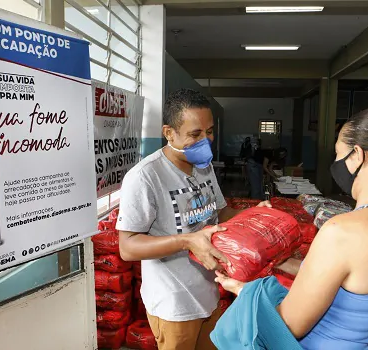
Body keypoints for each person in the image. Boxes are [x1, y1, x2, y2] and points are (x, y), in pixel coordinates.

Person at [215, 107, 368, 349]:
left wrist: (246, 292)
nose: (336, 164)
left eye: (338, 155)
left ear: (357, 155)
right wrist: (280, 262)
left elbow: (289, 325)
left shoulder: (343, 231)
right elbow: (355, 283)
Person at [116, 88, 271, 350]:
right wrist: (187, 241)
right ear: (168, 133)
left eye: (209, 131)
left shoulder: (204, 167)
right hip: (174, 303)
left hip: (209, 292)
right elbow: (127, 247)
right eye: (195, 134)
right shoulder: (145, 177)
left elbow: (219, 214)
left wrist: (255, 213)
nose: (206, 141)